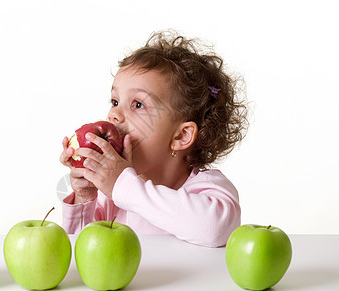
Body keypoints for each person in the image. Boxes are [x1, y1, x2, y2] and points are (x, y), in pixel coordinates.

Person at [59, 30, 248, 247]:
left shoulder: (209, 190)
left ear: (181, 136)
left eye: (138, 105)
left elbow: (214, 230)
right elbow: (80, 248)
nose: (114, 115)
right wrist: (85, 195)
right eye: (115, 102)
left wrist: (123, 186)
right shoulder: (111, 196)